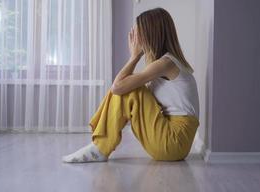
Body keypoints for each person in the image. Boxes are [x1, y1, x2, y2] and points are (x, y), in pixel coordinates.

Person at [62, 7, 200, 163]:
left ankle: (100, 147)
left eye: (137, 33)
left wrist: (134, 56)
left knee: (129, 88)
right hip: (175, 142)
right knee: (129, 85)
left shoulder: (165, 63)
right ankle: (99, 145)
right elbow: (122, 87)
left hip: (173, 141)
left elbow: (117, 87)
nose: (135, 38)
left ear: (151, 34)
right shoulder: (167, 62)